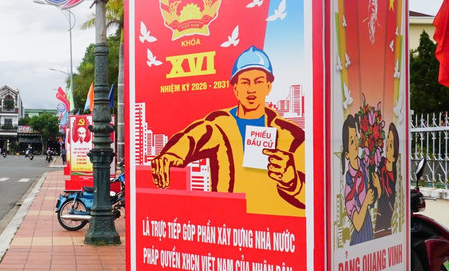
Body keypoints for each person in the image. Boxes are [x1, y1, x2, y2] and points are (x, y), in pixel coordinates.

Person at [150, 45, 305, 217]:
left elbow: (311, 197)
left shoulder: (291, 135)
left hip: (272, 227)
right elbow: (192, 138)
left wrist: (293, 182)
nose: (251, 89)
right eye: (245, 82)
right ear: (235, 88)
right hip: (229, 223)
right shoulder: (219, 125)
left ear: (268, 86)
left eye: (259, 81)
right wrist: (171, 155)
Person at [342, 114, 377, 245]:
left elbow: (372, 154)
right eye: (352, 141)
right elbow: (356, 223)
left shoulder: (363, 165)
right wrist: (366, 201)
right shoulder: (349, 185)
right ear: (346, 154)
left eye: (355, 138)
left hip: (368, 226)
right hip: (360, 236)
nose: (356, 143)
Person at [372, 122, 398, 238]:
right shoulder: (381, 162)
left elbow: (388, 208)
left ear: (394, 156)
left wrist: (379, 189)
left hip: (383, 227)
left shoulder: (392, 177)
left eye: (391, 145)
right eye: (388, 139)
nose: (387, 144)